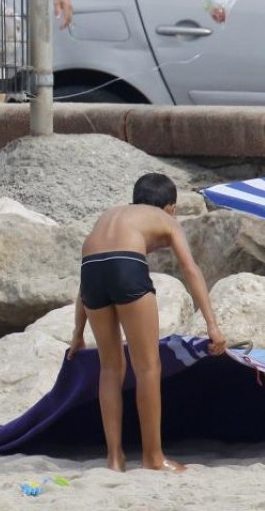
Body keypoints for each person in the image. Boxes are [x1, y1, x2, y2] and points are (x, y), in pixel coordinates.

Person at [67, 173, 227, 472]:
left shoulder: (110, 216)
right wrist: (212, 325)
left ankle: (114, 458)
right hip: (126, 267)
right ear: (171, 207)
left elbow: (87, 280)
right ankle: (154, 457)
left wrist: (78, 333)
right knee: (148, 367)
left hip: (90, 272)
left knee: (110, 368)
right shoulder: (164, 218)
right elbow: (190, 269)